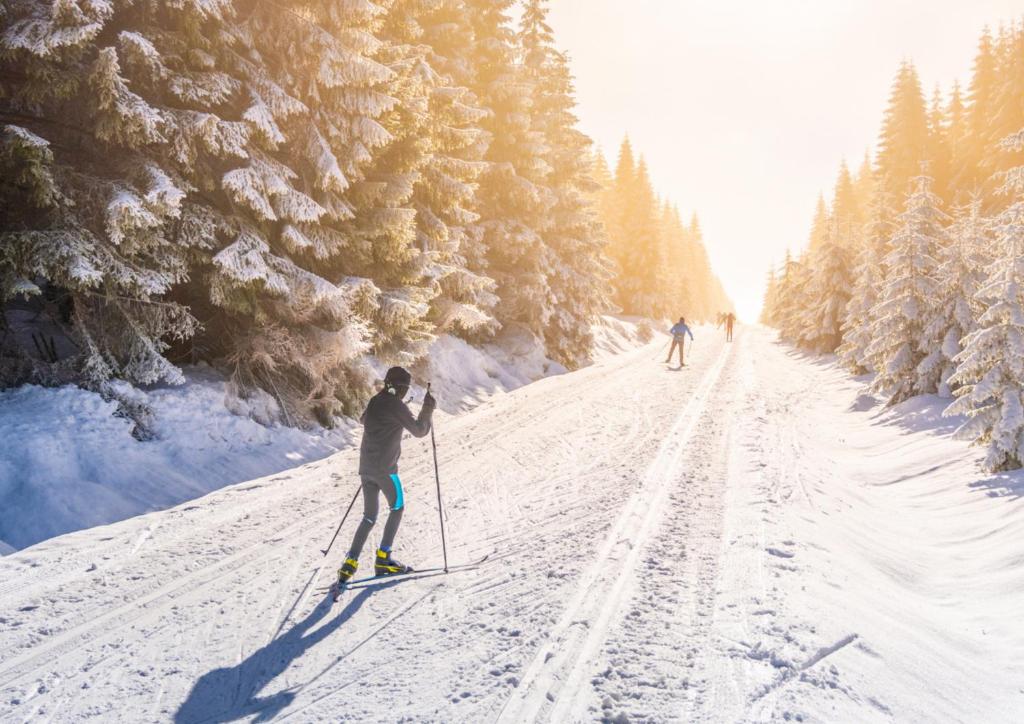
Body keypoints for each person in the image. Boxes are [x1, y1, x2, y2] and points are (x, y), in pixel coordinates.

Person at [336, 366, 436, 586]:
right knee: (397, 508)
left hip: (366, 469)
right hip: (387, 471)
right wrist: (427, 409)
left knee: (369, 517)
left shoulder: (376, 401)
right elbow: (420, 430)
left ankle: (349, 564)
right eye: (405, 388)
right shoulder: (396, 405)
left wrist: (395, 412)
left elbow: (364, 419)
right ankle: (383, 558)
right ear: (400, 388)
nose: (405, 392)